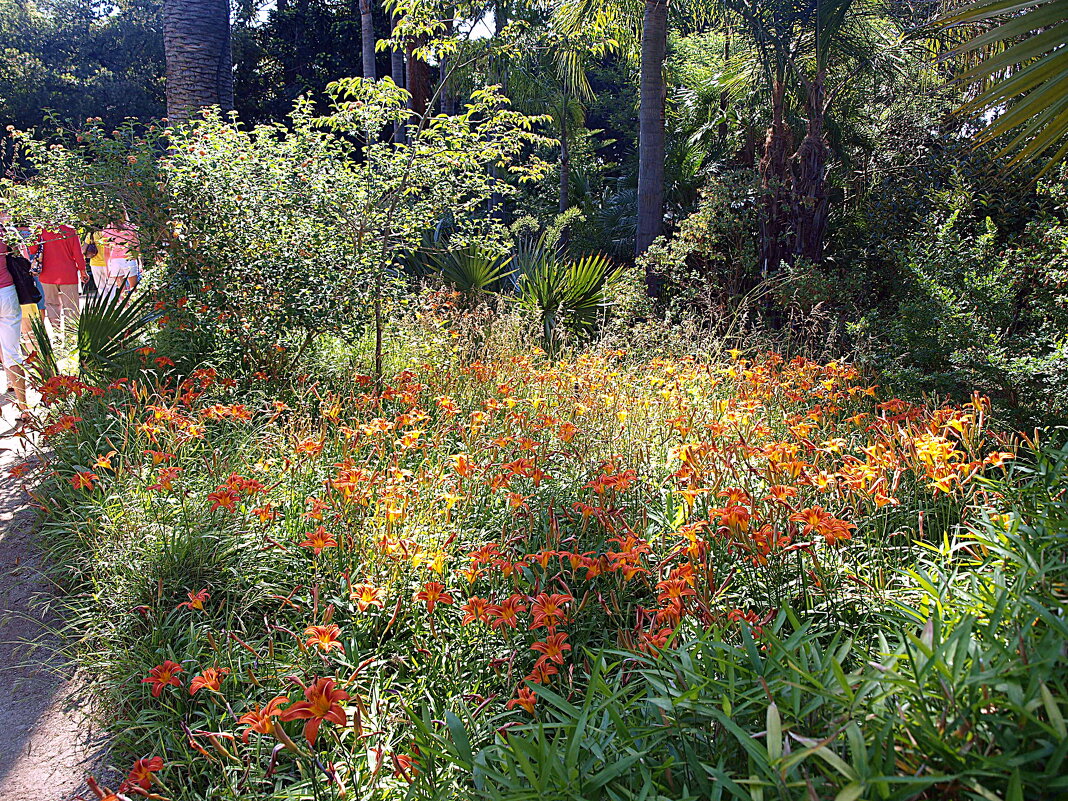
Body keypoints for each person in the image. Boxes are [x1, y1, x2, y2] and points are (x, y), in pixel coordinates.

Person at [29, 224, 86, 337]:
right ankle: (71, 337)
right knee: (71, 306)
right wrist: (82, 270)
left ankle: (57, 334)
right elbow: (77, 253)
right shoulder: (70, 230)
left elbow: (32, 250)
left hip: (47, 273)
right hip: (68, 273)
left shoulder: (40, 230)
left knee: (51, 304)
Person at [0, 238, 28, 417]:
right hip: (6, 292)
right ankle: (25, 409)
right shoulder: (4, 233)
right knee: (12, 352)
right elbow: (21, 255)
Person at [101, 219, 140, 298]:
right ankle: (135, 307)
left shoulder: (107, 231)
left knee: (121, 289)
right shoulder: (131, 228)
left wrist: (107, 267)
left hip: (115, 261)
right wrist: (138, 260)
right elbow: (137, 246)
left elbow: (106, 252)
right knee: (134, 288)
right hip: (129, 258)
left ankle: (125, 307)